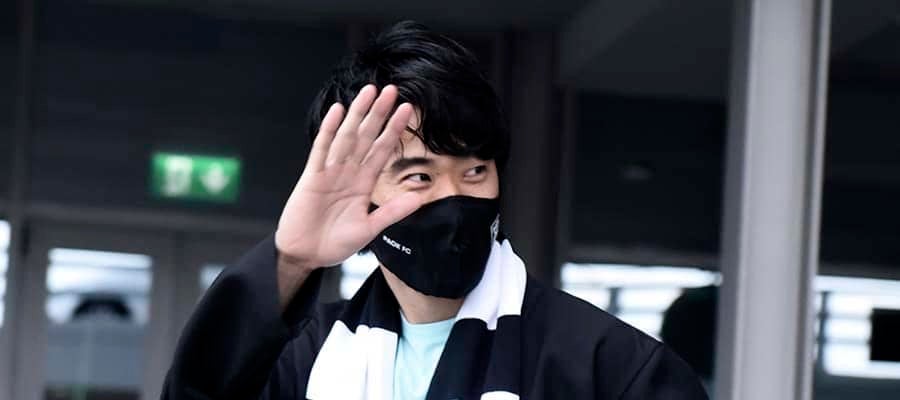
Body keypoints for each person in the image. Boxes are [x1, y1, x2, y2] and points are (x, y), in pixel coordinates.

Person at [162, 21, 708, 400]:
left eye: (475, 172)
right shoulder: (305, 358)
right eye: (419, 177)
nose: (454, 198)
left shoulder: (607, 368)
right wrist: (292, 260)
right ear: (361, 195)